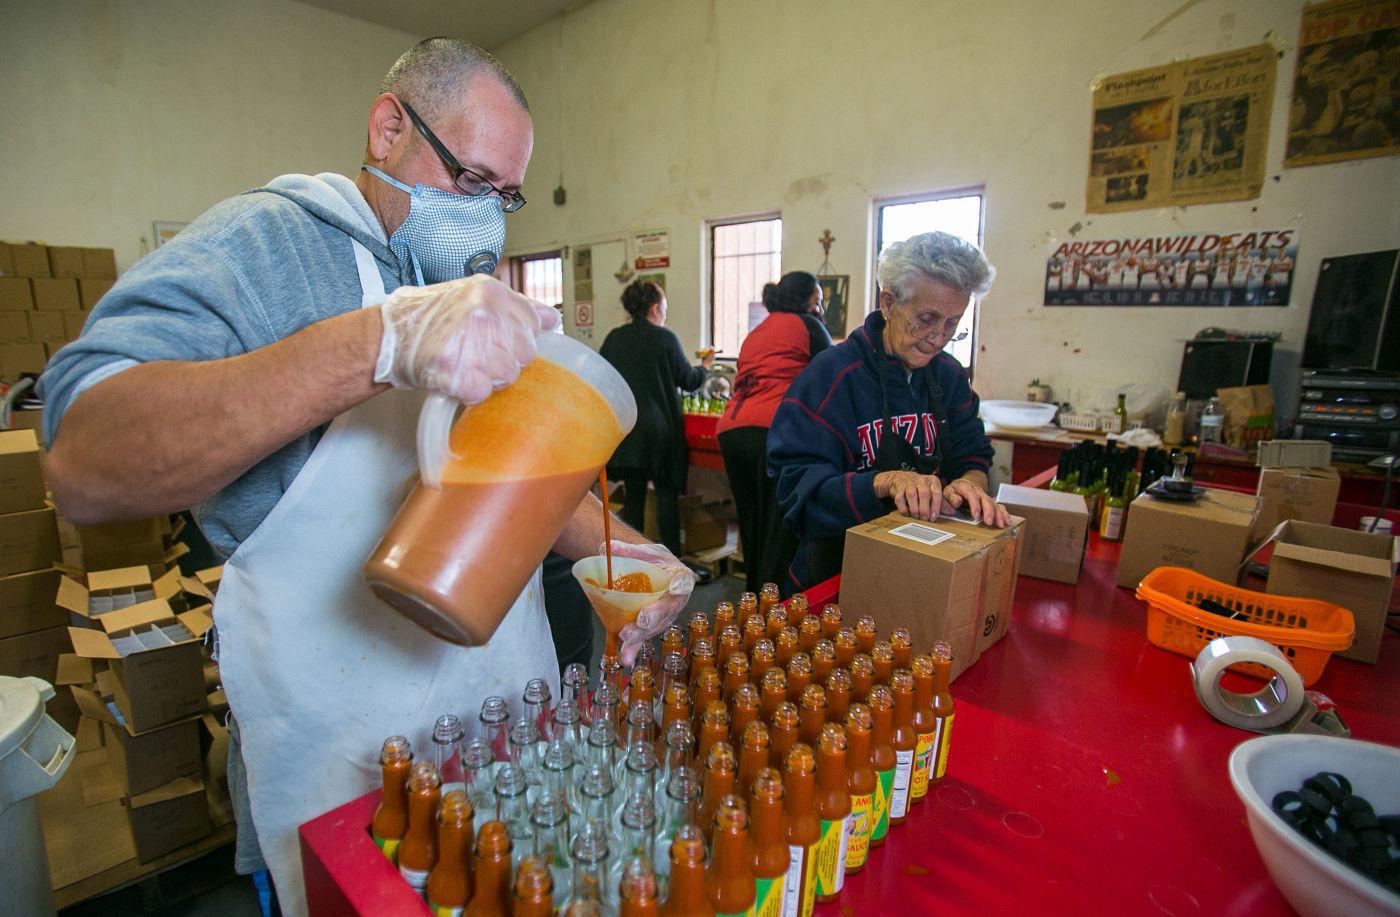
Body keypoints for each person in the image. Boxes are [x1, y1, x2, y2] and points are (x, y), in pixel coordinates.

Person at [37, 39, 694, 915]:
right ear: (390, 128)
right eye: (471, 183)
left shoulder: (459, 269)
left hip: (498, 723)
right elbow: (85, 455)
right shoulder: (267, 244)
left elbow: (508, 468)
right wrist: (382, 343)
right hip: (339, 746)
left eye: (506, 197)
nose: (489, 221)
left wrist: (641, 560)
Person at [767, 231, 1011, 595]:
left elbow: (972, 453)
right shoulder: (832, 376)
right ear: (888, 302)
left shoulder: (949, 376)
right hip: (837, 575)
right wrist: (886, 481)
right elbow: (798, 491)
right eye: (926, 318)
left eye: (952, 324)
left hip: (923, 570)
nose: (938, 338)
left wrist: (969, 485)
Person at [717, 272, 831, 592]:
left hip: (732, 431)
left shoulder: (759, 330)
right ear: (807, 301)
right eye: (818, 301)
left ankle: (753, 601)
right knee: (777, 528)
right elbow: (830, 379)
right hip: (772, 432)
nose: (820, 308)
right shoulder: (809, 326)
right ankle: (771, 615)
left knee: (751, 523)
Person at [600, 279, 714, 559]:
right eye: (664, 308)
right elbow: (688, 381)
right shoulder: (665, 338)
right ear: (654, 309)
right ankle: (672, 562)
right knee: (666, 498)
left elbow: (602, 378)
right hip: (661, 432)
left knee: (634, 498)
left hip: (627, 430)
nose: (665, 314)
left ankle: (633, 560)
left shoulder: (614, 338)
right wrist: (706, 367)